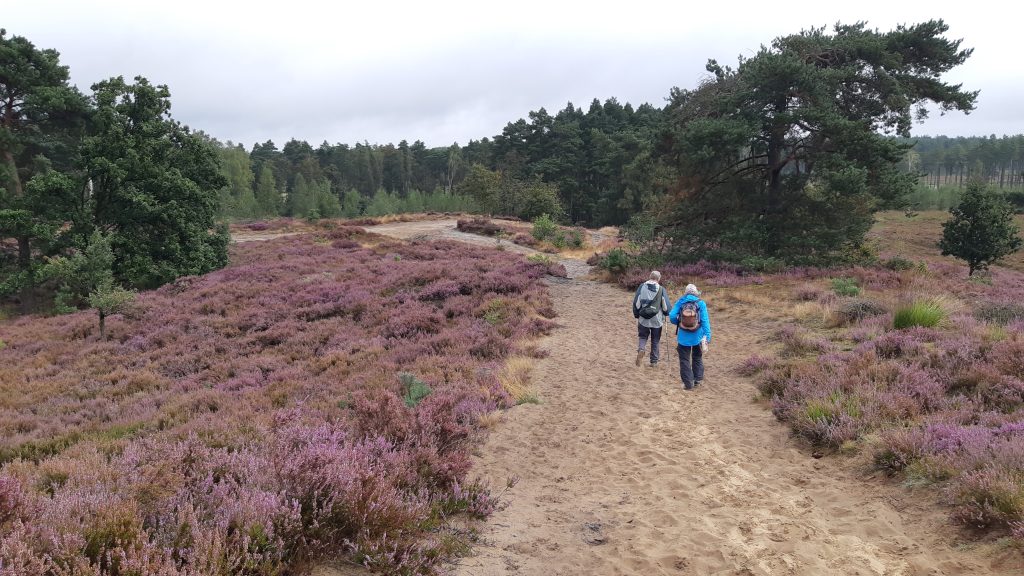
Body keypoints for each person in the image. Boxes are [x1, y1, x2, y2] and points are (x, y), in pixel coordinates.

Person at [669, 283, 712, 390]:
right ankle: (697, 380)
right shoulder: (701, 303)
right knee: (697, 357)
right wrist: (707, 337)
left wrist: (679, 322)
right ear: (696, 293)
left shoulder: (681, 301)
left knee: (684, 360)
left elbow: (672, 316)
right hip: (698, 336)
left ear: (686, 292)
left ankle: (688, 384)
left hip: (683, 337)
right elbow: (705, 321)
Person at [632, 271, 671, 367]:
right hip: (657, 319)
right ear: (659, 279)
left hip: (643, 318)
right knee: (655, 340)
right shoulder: (661, 289)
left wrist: (637, 315)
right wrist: (666, 313)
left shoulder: (642, 287)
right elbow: (666, 307)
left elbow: (636, 303)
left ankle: (641, 349)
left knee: (642, 336)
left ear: (650, 277)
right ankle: (654, 362)